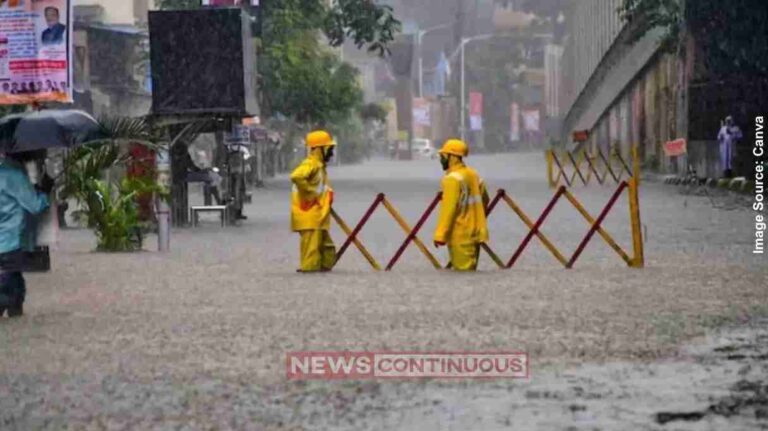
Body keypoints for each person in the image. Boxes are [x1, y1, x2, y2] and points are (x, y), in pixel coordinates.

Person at [0, 150, 52, 317]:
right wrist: (44, 191)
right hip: (10, 241)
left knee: (14, 288)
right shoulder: (13, 176)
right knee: (13, 290)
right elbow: (35, 205)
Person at [432, 139, 489, 271]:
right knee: (471, 274)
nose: (441, 160)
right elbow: (485, 200)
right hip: (475, 234)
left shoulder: (452, 179)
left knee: (464, 277)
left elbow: (449, 210)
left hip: (460, 236)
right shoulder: (474, 175)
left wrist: (440, 235)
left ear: (452, 157)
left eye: (443, 156)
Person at [290, 130, 336, 273]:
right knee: (311, 251)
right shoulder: (311, 164)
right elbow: (296, 176)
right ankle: (310, 271)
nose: (331, 154)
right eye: (329, 150)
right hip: (309, 214)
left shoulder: (319, 166)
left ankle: (323, 267)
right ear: (319, 150)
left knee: (327, 247)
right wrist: (311, 193)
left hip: (318, 215)